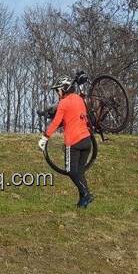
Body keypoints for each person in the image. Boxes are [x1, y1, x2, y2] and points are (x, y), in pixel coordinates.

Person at [38, 76, 94, 208]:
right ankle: (83, 202)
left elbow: (56, 121)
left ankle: (86, 194)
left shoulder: (64, 103)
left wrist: (45, 137)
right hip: (87, 140)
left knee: (71, 171)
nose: (57, 94)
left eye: (58, 91)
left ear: (64, 89)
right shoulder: (80, 99)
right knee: (79, 172)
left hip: (74, 142)